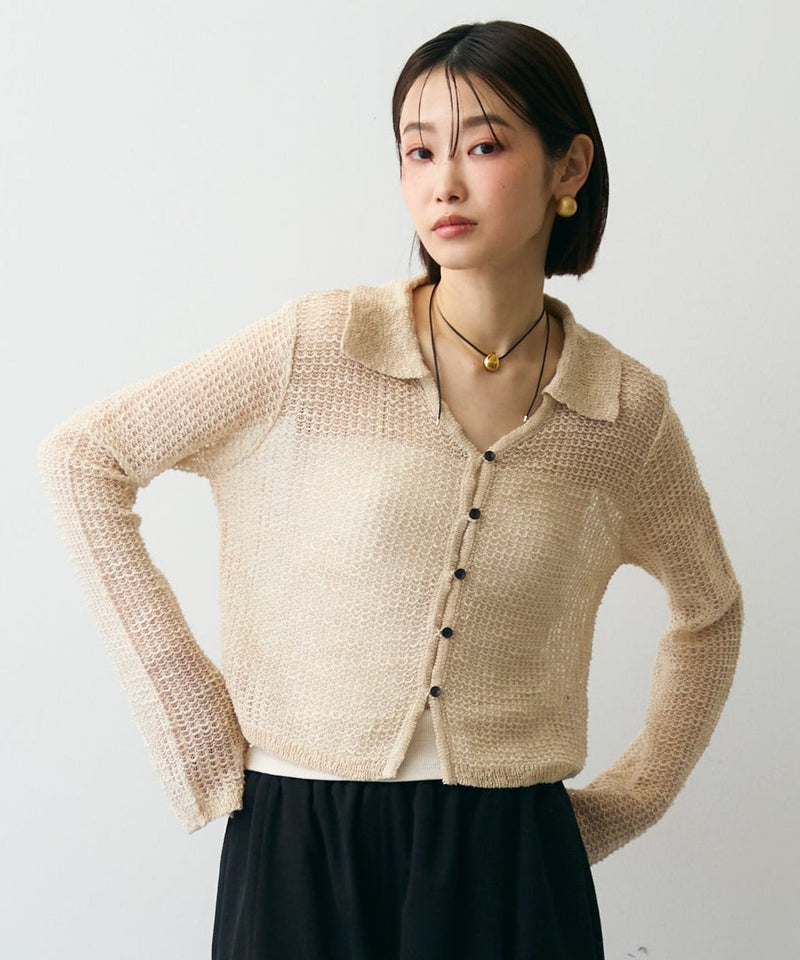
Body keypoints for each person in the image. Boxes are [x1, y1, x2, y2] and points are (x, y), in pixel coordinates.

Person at [39, 19, 742, 960]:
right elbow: (85, 459)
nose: (443, 182)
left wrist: (633, 797)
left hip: (512, 857)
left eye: (483, 146)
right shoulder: (318, 349)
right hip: (300, 842)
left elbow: (710, 612)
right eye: (418, 151)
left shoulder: (622, 414)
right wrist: (187, 701)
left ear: (569, 168)